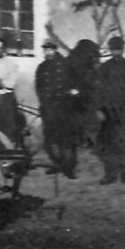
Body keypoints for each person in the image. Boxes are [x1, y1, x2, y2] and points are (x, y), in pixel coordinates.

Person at [93, 36, 125, 184]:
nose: (116, 52)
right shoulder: (104, 68)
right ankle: (110, 174)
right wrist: (98, 109)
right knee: (109, 143)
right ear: (110, 50)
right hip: (109, 112)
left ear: (123, 49)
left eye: (119, 49)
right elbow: (98, 90)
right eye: (114, 49)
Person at [34, 38, 80, 178]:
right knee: (50, 139)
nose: (47, 52)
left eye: (50, 49)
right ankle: (57, 164)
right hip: (49, 108)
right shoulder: (42, 67)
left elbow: (77, 82)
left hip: (64, 108)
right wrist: (43, 104)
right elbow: (39, 87)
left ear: (55, 49)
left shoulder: (66, 65)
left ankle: (69, 168)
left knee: (66, 139)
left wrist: (74, 91)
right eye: (45, 50)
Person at [65, 39, 101, 150]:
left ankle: (85, 138)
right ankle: (79, 139)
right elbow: (68, 77)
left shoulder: (87, 62)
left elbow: (94, 76)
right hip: (76, 94)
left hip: (86, 93)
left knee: (85, 117)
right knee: (77, 117)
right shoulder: (73, 60)